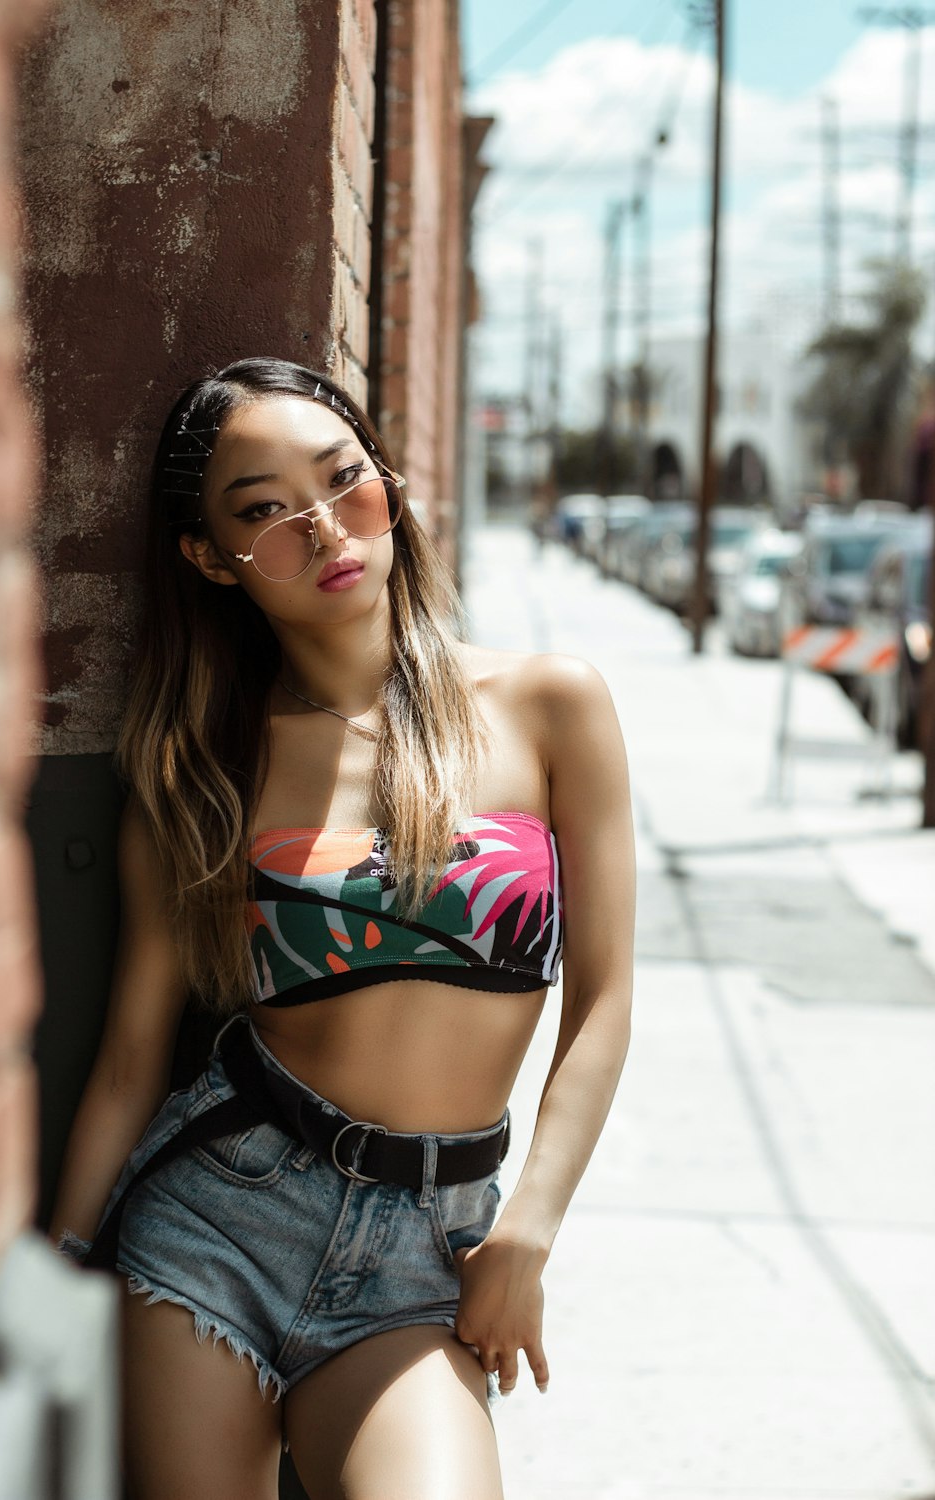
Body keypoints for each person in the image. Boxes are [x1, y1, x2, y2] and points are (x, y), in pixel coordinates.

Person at [49, 357, 636, 1500]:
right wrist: (51, 1283)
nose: (323, 527)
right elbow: (128, 1061)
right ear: (209, 558)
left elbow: (605, 996)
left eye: (342, 479)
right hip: (219, 1226)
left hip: (430, 1258)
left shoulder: (548, 703)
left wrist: (527, 1233)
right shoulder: (206, 772)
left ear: (389, 485)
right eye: (263, 510)